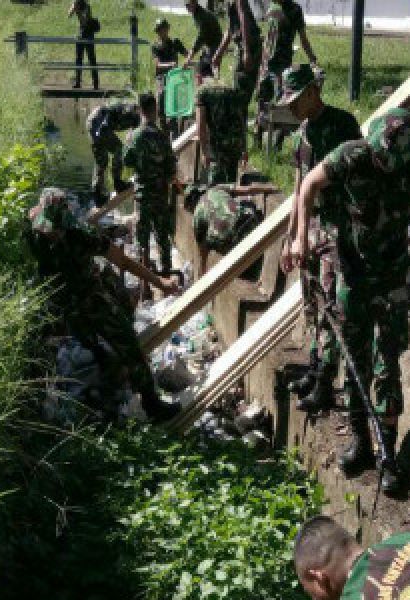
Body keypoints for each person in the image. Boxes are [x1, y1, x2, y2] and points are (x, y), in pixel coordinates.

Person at [289, 108, 410, 493]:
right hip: (352, 277)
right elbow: (307, 186)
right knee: (355, 360)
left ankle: (389, 454)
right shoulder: (350, 156)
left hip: (391, 279)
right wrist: (301, 237)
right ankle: (361, 444)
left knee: (386, 362)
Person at [25, 188, 181, 422]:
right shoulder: (81, 233)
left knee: (88, 341)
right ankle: (152, 404)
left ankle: (104, 375)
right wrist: (160, 282)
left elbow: (32, 215)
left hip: (63, 303)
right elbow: (124, 261)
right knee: (128, 344)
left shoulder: (34, 234)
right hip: (91, 300)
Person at [277, 64, 361, 414]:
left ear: (314, 92)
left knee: (330, 303)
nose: (293, 108)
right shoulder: (302, 136)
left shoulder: (343, 125)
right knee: (311, 298)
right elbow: (299, 190)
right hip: (311, 228)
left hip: (339, 228)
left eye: (297, 100)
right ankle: (315, 368)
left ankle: (326, 381)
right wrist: (291, 238)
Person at [122, 92, 179, 281]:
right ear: (155, 109)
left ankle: (144, 279)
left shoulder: (134, 136)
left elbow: (127, 161)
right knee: (163, 234)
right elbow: (171, 167)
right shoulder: (162, 137)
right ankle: (167, 273)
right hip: (160, 193)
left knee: (142, 238)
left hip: (142, 193)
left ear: (140, 110)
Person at [184, 180, 274, 279]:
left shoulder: (197, 217)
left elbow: (202, 256)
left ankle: (247, 273)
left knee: (209, 240)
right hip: (246, 225)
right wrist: (271, 188)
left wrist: (200, 281)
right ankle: (255, 272)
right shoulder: (216, 189)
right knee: (247, 205)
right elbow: (248, 189)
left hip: (229, 243)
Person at [256, 0, 315, 115]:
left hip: (282, 62)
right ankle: (260, 127)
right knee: (262, 97)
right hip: (266, 60)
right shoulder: (272, 6)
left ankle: (279, 129)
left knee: (281, 98)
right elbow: (269, 35)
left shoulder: (295, 9)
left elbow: (303, 37)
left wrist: (312, 58)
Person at [86, 100, 140, 206]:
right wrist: (100, 135)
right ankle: (116, 184)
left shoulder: (136, 119)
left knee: (103, 160)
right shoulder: (123, 109)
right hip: (97, 122)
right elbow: (104, 122)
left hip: (97, 125)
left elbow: (133, 137)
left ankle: (98, 194)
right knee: (116, 151)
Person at [195, 80, 249, 186]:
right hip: (235, 144)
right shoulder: (231, 89)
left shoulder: (202, 92)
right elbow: (241, 120)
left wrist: (204, 151)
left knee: (216, 188)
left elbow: (200, 125)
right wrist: (244, 148)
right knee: (231, 186)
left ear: (199, 76)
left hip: (217, 147)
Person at [215, 0, 262, 106]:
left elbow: (243, 18)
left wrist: (247, 51)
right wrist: (219, 54)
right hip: (244, 46)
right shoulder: (228, 2)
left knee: (241, 90)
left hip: (249, 46)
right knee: (240, 91)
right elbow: (231, 28)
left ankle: (239, 117)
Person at [151, 18, 189, 130]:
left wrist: (185, 64)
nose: (161, 32)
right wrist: (170, 65)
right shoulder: (155, 46)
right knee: (162, 96)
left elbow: (187, 54)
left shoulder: (175, 43)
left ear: (167, 29)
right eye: (159, 30)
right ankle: (163, 127)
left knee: (177, 102)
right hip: (161, 77)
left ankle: (176, 127)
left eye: (163, 29)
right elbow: (157, 65)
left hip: (175, 76)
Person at [183, 0, 223, 83]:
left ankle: (213, 86)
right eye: (186, 5)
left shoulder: (203, 16)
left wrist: (189, 57)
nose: (187, 8)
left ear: (195, 3)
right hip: (209, 44)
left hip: (215, 44)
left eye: (189, 5)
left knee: (208, 70)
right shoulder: (196, 13)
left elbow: (201, 38)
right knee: (202, 67)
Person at [67, 0, 99, 90]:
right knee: (78, 59)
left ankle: (95, 83)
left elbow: (85, 21)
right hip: (81, 33)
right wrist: (73, 8)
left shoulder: (87, 6)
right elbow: (69, 15)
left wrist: (78, 11)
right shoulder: (76, 4)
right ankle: (77, 82)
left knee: (91, 59)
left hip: (88, 33)